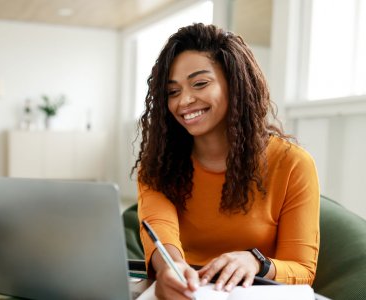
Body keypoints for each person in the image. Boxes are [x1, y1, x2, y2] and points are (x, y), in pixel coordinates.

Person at [133, 23, 320, 299]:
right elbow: (161, 230)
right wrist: (170, 268)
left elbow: (302, 268)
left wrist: (256, 262)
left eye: (200, 83)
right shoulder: (159, 164)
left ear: (235, 84)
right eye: (172, 92)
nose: (184, 100)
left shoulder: (292, 164)